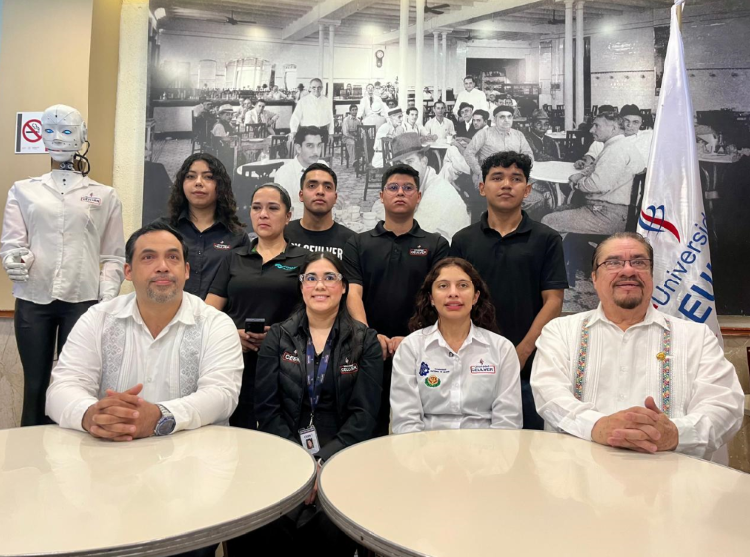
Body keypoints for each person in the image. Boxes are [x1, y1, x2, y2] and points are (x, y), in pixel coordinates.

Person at [45, 221, 242, 557]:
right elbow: (62, 387)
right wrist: (91, 415)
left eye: (173, 258)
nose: (162, 266)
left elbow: (222, 395)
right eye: (148, 257)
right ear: (128, 271)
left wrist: (160, 417)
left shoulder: (215, 324)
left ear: (186, 271)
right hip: (107, 483)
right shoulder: (97, 319)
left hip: (190, 486)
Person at [531, 232, 744, 462]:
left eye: (639, 262)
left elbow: (725, 405)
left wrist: (674, 434)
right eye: (613, 262)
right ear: (594, 278)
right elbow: (549, 395)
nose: (628, 270)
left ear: (651, 275)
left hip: (672, 476)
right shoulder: (560, 332)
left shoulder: (697, 337)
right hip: (579, 474)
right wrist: (597, 426)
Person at [233, 253, 382, 556]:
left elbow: (364, 415)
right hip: (284, 444)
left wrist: (324, 460)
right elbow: (267, 409)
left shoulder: (365, 340)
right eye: (311, 278)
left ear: (343, 287)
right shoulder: (279, 336)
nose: (320, 285)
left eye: (330, 278)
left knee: (330, 525)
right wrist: (300, 463)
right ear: (301, 286)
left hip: (342, 450)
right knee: (266, 523)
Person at [1, 104, 125, 426]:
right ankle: (30, 450)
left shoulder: (105, 195)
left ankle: (69, 451)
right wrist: (13, 259)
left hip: (82, 301)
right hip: (33, 298)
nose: (58, 137)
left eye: (67, 130)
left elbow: (113, 254)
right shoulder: (23, 190)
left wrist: (108, 293)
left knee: (74, 386)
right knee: (35, 386)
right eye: (50, 130)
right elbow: (12, 243)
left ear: (82, 136)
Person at [450, 152, 568, 429]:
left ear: (527, 190)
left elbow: (553, 301)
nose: (506, 185)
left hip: (529, 364)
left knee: (528, 445)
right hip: (473, 362)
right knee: (473, 444)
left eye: (516, 179)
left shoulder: (547, 239)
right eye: (497, 178)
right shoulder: (463, 240)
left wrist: (521, 353)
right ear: (482, 187)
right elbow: (454, 302)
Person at [344, 164, 449, 435]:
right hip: (369, 351)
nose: (400, 192)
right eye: (393, 187)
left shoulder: (436, 244)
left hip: (422, 351)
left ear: (419, 196)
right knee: (368, 430)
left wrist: (414, 338)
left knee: (418, 433)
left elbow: (440, 299)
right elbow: (353, 293)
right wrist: (368, 336)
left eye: (407, 188)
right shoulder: (358, 243)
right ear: (381, 196)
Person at [206, 184, 309, 430]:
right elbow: (207, 313)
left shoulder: (304, 260)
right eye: (256, 208)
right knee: (238, 431)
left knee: (281, 433)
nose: (263, 214)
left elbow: (315, 313)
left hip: (285, 362)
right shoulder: (233, 258)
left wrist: (278, 336)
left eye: (272, 208)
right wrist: (232, 335)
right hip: (235, 360)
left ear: (288, 216)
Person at [390, 257, 522, 433]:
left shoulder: (502, 349)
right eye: (443, 286)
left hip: (486, 445)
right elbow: (406, 421)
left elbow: (507, 421)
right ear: (431, 298)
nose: (453, 293)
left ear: (475, 297)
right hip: (426, 446)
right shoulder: (411, 347)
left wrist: (489, 451)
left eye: (463, 285)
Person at [542, 112, 644, 236]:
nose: (591, 130)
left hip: (607, 214)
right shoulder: (618, 146)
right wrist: (581, 175)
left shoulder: (615, 151)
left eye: (597, 126)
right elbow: (594, 169)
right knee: (557, 211)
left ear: (613, 128)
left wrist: (577, 183)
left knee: (548, 221)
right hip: (608, 210)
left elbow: (597, 185)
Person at [164, 153, 248, 299]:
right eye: (190, 176)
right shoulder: (163, 230)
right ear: (181, 183)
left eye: (208, 177)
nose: (198, 182)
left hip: (220, 313)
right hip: (169, 311)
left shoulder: (237, 236)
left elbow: (242, 287)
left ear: (220, 186)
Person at [385, 134, 470, 241]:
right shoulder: (418, 182)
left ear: (424, 162)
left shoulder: (437, 191)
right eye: (399, 163)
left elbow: (411, 233)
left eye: (410, 161)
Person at [285, 163, 355, 260]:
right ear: (301, 195)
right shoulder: (282, 235)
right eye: (312, 186)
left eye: (328, 187)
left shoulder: (351, 242)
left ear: (335, 198)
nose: (320, 192)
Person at [464, 105, 534, 187]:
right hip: (489, 175)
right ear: (495, 119)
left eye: (509, 117)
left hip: (514, 175)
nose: (506, 120)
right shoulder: (484, 133)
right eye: (502, 117)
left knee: (538, 189)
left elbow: (528, 154)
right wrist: (479, 172)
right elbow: (468, 153)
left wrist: (522, 169)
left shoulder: (519, 135)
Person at [274, 126, 326, 218]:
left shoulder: (324, 166)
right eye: (310, 146)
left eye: (319, 145)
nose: (316, 152)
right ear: (298, 148)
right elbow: (285, 212)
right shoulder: (283, 174)